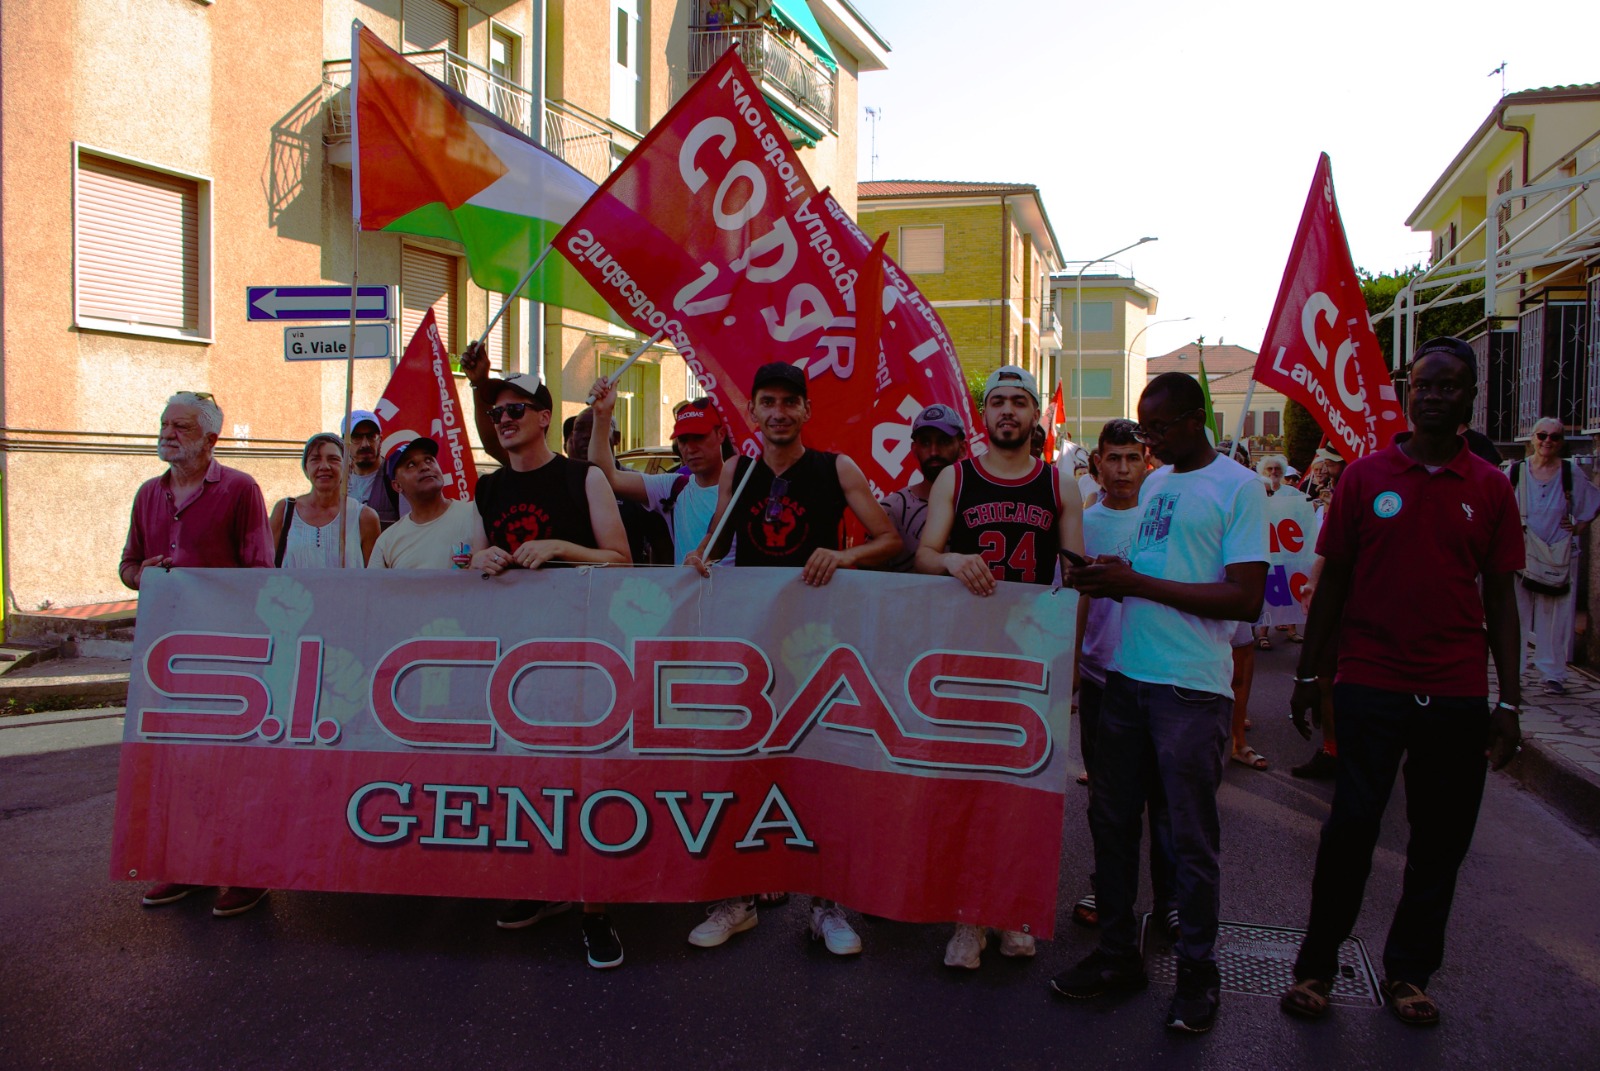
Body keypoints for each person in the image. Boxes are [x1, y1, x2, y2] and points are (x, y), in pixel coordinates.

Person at [1280, 335, 1524, 1028]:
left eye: (1450, 386)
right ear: (1407, 391)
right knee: (1352, 828)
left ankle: (1410, 972)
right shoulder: (1365, 477)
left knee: (1438, 841)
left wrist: (1508, 700)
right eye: (1425, 384)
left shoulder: (1490, 486)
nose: (1436, 396)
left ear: (1471, 398)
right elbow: (1333, 586)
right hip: (1370, 681)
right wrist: (1306, 671)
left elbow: (1501, 599)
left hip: (1453, 691)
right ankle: (1317, 966)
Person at [1052, 371, 1268, 1035]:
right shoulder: (1156, 484)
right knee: (1111, 824)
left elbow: (1244, 599)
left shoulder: (1239, 486)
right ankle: (1119, 955)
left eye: (1161, 429)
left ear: (1197, 417)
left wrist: (1134, 580)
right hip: (1125, 680)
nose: (1150, 442)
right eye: (1144, 431)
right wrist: (1105, 582)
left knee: (1189, 841)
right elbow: (1154, 575)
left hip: (1191, 690)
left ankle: (1199, 977)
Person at [683, 361, 902, 956]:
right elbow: (718, 546)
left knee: (822, 771)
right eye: (767, 402)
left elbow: (890, 541)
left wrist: (842, 555)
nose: (778, 413)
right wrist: (698, 560)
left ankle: (826, 907)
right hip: (754, 646)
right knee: (746, 770)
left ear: (806, 410)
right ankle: (739, 900)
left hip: (820, 645)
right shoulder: (738, 469)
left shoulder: (837, 468)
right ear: (752, 411)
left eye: (789, 402)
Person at [914, 365, 1084, 968]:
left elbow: (1077, 579)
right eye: (997, 402)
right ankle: (966, 918)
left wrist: (1071, 669)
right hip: (965, 653)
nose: (1008, 411)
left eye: (1020, 402)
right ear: (982, 416)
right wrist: (953, 560)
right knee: (964, 788)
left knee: (1024, 791)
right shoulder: (957, 479)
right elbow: (924, 555)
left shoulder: (1060, 483)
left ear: (1036, 415)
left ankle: (1014, 910)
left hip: (1031, 657)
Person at [471, 370, 632, 969]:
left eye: (517, 409)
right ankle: (542, 888)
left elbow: (621, 561)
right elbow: (467, 561)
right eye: (497, 412)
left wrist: (561, 549)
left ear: (544, 417)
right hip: (513, 658)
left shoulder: (581, 476)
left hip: (581, 652)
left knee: (585, 777)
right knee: (525, 776)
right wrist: (478, 558)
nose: (505, 418)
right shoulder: (487, 490)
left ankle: (596, 910)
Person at [122, 391, 273, 918]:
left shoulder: (240, 489)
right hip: (167, 655)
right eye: (164, 423)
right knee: (178, 765)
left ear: (211, 438)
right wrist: (145, 574)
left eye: (181, 426)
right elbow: (127, 566)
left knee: (234, 765)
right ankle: (188, 865)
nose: (167, 433)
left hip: (228, 654)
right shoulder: (147, 494)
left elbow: (259, 572)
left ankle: (248, 872)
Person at [1061, 420, 1182, 945]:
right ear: (1097, 466)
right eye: (1113, 458)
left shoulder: (1165, 519)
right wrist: (1070, 666)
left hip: (1159, 676)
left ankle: (1171, 901)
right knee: (1110, 801)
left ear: (1147, 462)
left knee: (1166, 798)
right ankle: (1109, 890)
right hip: (1101, 680)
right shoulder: (1081, 525)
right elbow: (1073, 597)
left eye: (1134, 458)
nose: (1123, 470)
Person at [1509, 417, 1600, 695]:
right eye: (1542, 435)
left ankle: (1552, 673)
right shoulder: (1516, 471)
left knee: (1555, 615)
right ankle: (1514, 670)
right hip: (1522, 551)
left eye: (1555, 437)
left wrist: (1579, 527)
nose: (1547, 441)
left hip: (1557, 552)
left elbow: (1593, 503)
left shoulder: (1571, 473)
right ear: (1532, 439)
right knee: (1516, 614)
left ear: (1561, 443)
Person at [587, 381, 724, 564]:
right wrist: (602, 414)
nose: (690, 448)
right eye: (683, 440)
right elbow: (607, 477)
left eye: (699, 437)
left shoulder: (746, 488)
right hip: (688, 593)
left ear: (721, 434)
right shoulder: (673, 487)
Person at [369, 437, 488, 570]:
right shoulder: (387, 542)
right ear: (397, 485)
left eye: (429, 460)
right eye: (411, 465)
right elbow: (374, 588)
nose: (425, 467)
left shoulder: (478, 514)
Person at [877, 403, 967, 572]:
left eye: (944, 441)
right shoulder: (892, 509)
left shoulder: (980, 504)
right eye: (925, 442)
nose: (934, 451)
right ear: (914, 449)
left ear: (963, 448)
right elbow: (870, 581)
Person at [269, 434, 379, 568]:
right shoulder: (285, 511)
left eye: (333, 459)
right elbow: (267, 569)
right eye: (315, 459)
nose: (324, 466)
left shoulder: (364, 517)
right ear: (305, 468)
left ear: (348, 467)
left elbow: (373, 579)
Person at [1253, 454, 1300, 648]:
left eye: (1277, 469)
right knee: (1268, 591)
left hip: (1287, 551)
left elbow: (1302, 516)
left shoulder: (1292, 494)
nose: (1273, 472)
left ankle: (1292, 629)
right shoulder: (1257, 491)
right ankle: (1263, 633)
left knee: (1289, 587)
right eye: (1269, 469)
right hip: (1266, 550)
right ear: (1263, 471)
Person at [342, 410, 405, 528]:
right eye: (356, 437)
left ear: (380, 440)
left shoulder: (396, 478)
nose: (365, 444)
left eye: (371, 436)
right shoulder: (338, 482)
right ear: (345, 442)